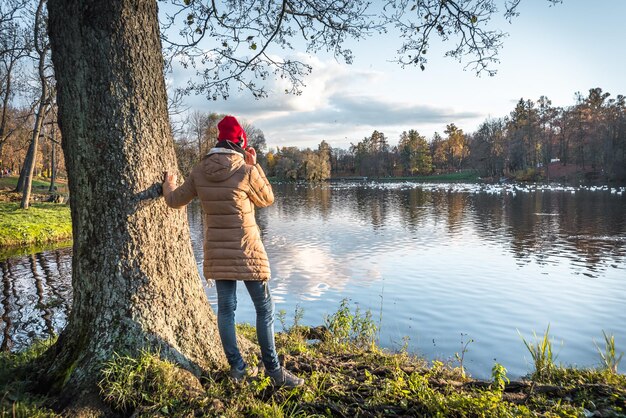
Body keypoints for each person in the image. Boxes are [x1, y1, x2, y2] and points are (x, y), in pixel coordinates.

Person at [162, 115, 304, 387]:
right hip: (248, 250)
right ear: (239, 142)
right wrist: (255, 165)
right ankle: (274, 373)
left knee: (226, 310)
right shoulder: (245, 170)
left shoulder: (199, 171)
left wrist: (168, 183)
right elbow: (267, 199)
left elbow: (175, 200)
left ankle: (238, 369)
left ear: (218, 141)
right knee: (264, 308)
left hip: (217, 251)